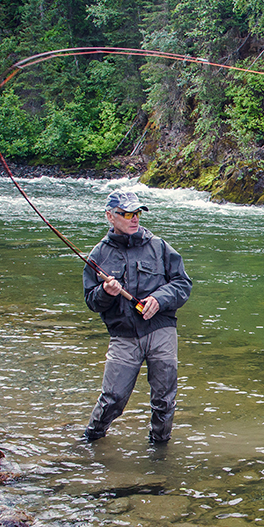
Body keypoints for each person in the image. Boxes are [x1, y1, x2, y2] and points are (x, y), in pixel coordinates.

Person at [83, 190, 192, 444]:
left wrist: (159, 299)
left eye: (138, 213)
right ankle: (90, 443)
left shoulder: (160, 246)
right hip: (123, 335)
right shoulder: (98, 256)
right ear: (110, 216)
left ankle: (160, 451)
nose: (135, 219)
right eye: (127, 214)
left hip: (161, 330)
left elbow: (182, 284)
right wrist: (105, 292)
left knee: (164, 400)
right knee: (113, 399)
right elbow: (92, 301)